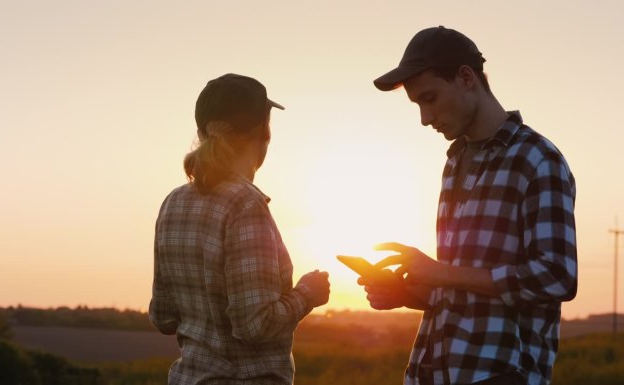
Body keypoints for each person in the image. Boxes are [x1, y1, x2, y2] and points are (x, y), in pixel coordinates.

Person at [360, 26, 577, 385]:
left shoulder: (538, 160)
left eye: (430, 98)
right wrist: (406, 293)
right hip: (434, 370)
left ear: (465, 77)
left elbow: (557, 277)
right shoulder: (455, 162)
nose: (425, 118)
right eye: (417, 104)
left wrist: (440, 272)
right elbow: (465, 286)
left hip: (501, 374)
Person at [149, 73, 330, 384]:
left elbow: (162, 316)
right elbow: (254, 325)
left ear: (201, 132)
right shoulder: (246, 205)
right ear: (264, 131)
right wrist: (307, 294)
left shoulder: (173, 203)